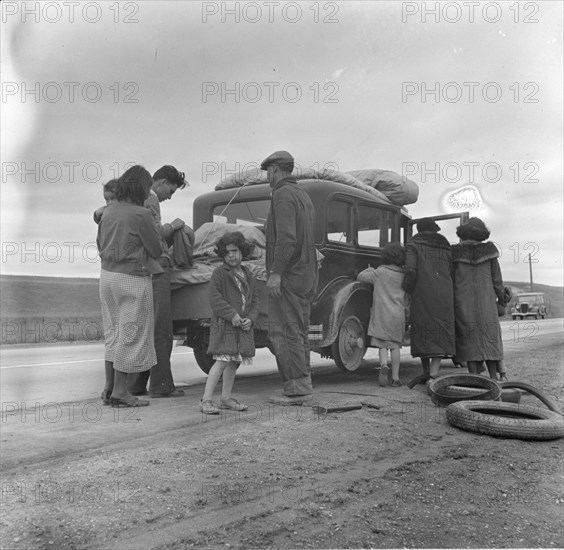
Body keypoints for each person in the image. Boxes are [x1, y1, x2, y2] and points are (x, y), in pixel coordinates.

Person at [97, 165, 162, 407]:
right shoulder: (141, 214)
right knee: (131, 333)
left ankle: (108, 387)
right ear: (141, 188)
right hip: (133, 278)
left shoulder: (108, 211)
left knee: (113, 332)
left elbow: (99, 244)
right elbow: (156, 249)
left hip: (107, 276)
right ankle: (121, 392)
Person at [127, 165, 192, 398]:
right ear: (162, 182)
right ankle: (161, 385)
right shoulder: (151, 199)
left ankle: (135, 384)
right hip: (156, 267)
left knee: (143, 328)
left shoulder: (133, 200)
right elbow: (154, 233)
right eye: (171, 191)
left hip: (137, 268)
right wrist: (174, 227)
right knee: (161, 328)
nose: (169, 196)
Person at [262, 151, 318, 405]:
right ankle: (302, 384)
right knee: (299, 330)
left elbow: (286, 238)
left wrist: (276, 272)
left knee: (285, 331)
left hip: (290, 276)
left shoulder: (282, 194)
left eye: (268, 172)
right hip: (306, 274)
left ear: (275, 170)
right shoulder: (302, 194)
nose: (267, 178)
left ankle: (296, 390)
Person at [200, 232, 260, 415]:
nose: (231, 256)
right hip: (225, 326)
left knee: (233, 362)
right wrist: (232, 315)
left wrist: (251, 318)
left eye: (235, 251)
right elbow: (215, 299)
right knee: (221, 361)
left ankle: (226, 398)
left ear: (242, 251)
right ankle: (206, 400)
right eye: (227, 253)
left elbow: (256, 301)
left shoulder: (248, 275)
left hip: (241, 327)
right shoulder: (219, 274)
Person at [451, 217, 507, 380]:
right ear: (482, 233)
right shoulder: (490, 252)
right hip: (487, 303)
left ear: (463, 233)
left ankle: (474, 378)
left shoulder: (454, 252)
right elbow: (497, 281)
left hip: (462, 302)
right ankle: (493, 378)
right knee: (489, 338)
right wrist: (502, 300)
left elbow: (450, 279)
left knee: (469, 338)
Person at [402, 218, 455, 382]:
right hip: (445, 292)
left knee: (422, 329)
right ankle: (433, 373)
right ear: (435, 229)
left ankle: (426, 372)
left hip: (422, 291)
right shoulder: (446, 245)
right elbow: (452, 269)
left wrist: (407, 289)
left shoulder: (413, 244)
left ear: (419, 230)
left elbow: (410, 270)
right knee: (440, 330)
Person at [357, 243, 407, 387]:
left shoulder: (379, 273)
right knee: (395, 347)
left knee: (382, 345)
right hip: (398, 315)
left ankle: (384, 364)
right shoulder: (404, 275)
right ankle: (396, 378)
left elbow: (361, 277)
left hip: (381, 314)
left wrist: (369, 269)